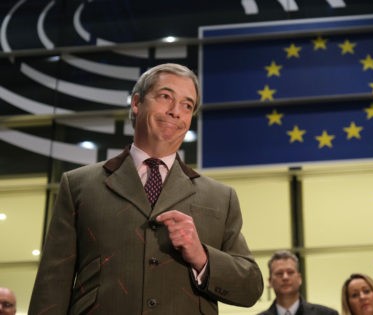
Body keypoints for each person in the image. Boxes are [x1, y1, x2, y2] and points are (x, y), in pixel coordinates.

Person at [28, 63, 263, 314]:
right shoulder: (78, 186)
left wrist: (202, 256)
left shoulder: (220, 197)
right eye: (166, 97)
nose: (175, 112)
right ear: (137, 103)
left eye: (187, 105)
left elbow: (250, 287)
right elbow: (52, 287)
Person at [258, 250, 338, 315]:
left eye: (290, 272)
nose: (285, 277)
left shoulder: (327, 314)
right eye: (279, 273)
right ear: (270, 281)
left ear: (299, 278)